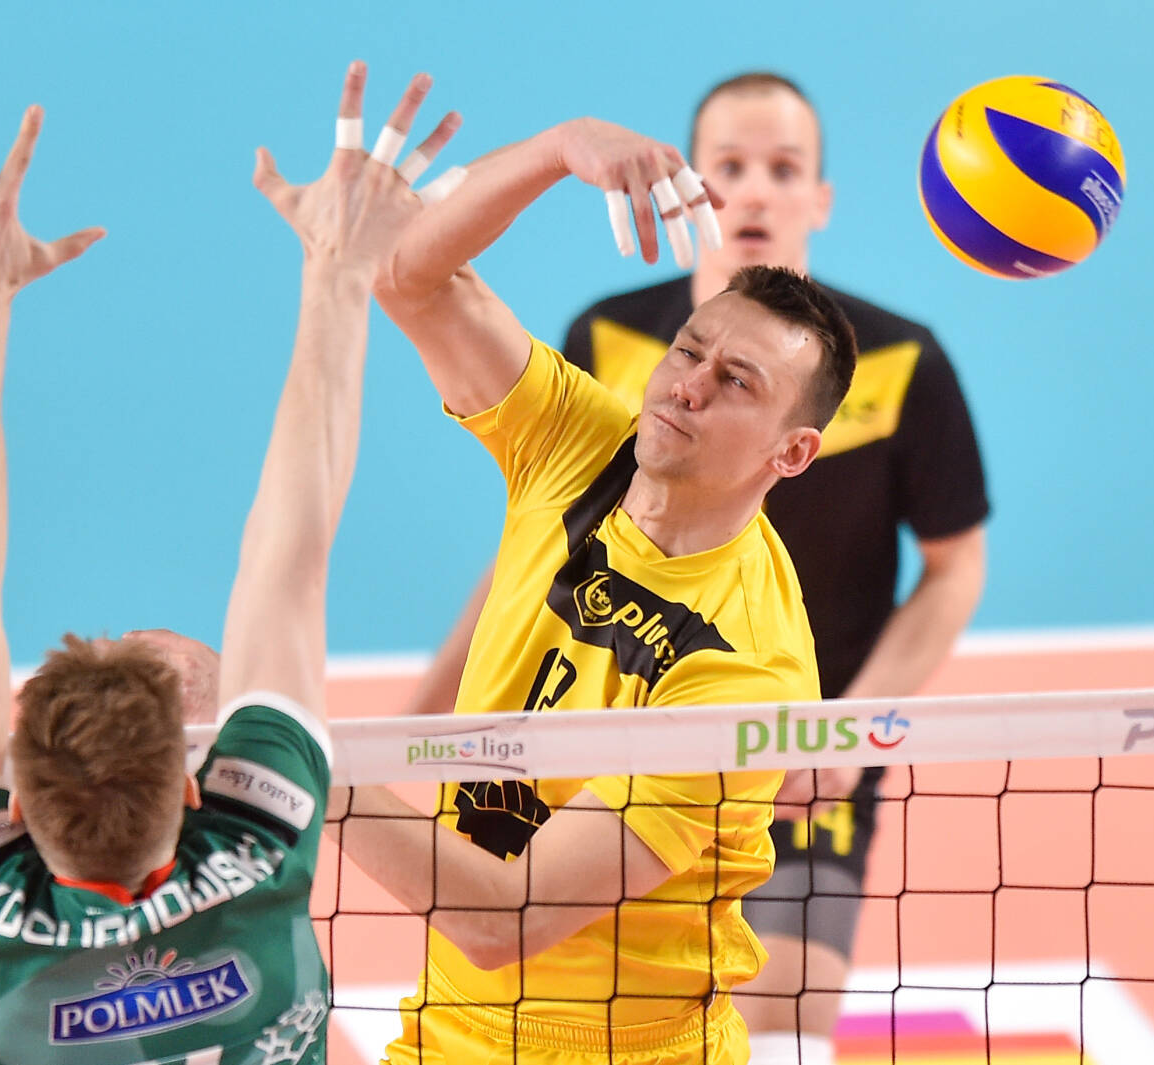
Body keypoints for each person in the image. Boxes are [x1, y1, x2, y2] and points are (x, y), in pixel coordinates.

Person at [406, 72, 991, 1065]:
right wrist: (422, 713)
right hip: (600, 734)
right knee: (534, 948)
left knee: (786, 1029)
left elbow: (953, 568)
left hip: (788, 741)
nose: (754, 191)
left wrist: (844, 733)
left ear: (820, 199)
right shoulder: (614, 340)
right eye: (729, 167)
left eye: (783, 169)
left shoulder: (902, 361)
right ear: (686, 187)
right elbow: (540, 543)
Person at [0, 66, 458, 1065]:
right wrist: (339, 268)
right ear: (192, 791)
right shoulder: (259, 851)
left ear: (14, 806)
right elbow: (290, 557)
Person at [329, 104, 858, 1065]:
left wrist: (297, 763)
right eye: (690, 350)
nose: (688, 385)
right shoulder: (579, 447)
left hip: (623, 1049)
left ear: (792, 452)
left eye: (738, 381)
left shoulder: (748, 671)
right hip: (448, 1030)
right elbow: (408, 277)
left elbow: (504, 917)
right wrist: (557, 147)